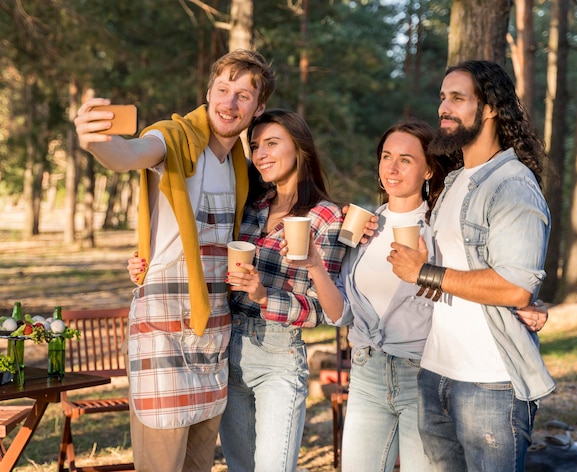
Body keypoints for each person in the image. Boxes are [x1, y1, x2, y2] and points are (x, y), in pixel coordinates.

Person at [280, 118, 549, 472]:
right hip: (365, 370)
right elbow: (341, 314)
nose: (392, 167)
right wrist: (315, 264)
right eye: (386, 156)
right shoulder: (363, 227)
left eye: (406, 159)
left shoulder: (441, 228)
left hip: (421, 373)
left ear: (427, 171)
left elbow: (473, 284)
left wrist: (525, 307)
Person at [74, 49, 276, 472]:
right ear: (208, 93)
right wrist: (98, 144)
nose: (229, 102)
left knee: (197, 464)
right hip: (161, 328)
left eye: (243, 95)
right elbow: (129, 155)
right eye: (223, 89)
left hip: (212, 329)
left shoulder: (240, 167)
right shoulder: (173, 139)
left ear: (258, 108)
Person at [387, 60, 554, 472]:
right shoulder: (457, 180)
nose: (444, 107)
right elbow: (473, 273)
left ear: (491, 108)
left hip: (490, 383)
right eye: (443, 97)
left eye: (458, 98)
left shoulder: (512, 184)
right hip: (436, 374)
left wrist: (425, 273)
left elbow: (513, 287)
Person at [218, 109, 346, 472]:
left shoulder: (325, 217)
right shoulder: (251, 207)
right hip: (229, 350)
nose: (260, 155)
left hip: (279, 355)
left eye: (272, 144)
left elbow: (322, 310)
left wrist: (262, 295)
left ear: (299, 148)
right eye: (255, 146)